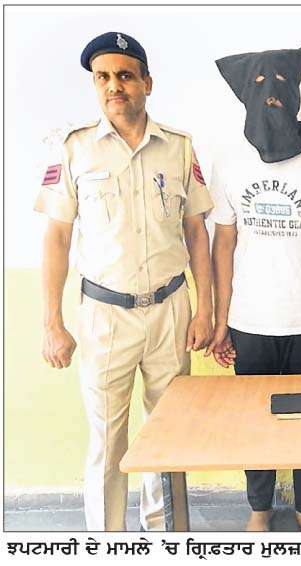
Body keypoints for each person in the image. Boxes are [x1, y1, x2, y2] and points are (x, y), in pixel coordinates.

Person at [35, 32, 214, 531]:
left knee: (167, 434)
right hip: (105, 316)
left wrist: (205, 309)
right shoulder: (73, 149)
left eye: (125, 76)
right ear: (95, 86)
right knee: (108, 441)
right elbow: (56, 238)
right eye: (103, 78)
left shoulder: (179, 148)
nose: (114, 86)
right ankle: (107, 543)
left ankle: (163, 537)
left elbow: (196, 232)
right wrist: (52, 323)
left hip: (170, 310)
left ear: (146, 83)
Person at [207, 42, 301, 532]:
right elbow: (223, 243)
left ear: (295, 91)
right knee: (255, 422)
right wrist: (221, 322)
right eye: (258, 85)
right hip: (250, 320)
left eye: (281, 83)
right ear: (243, 96)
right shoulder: (229, 160)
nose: (271, 93)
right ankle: (259, 509)